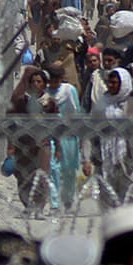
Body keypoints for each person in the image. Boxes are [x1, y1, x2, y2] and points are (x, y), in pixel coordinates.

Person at [83, 68, 133, 211]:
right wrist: (86, 159)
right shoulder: (101, 105)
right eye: (109, 82)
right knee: (107, 194)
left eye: (115, 83)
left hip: (128, 158)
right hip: (104, 158)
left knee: (131, 193)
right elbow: (89, 132)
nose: (111, 86)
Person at [6, 68, 51, 215]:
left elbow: (56, 125)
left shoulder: (49, 103)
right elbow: (11, 123)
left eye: (39, 82)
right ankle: (27, 205)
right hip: (23, 144)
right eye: (33, 81)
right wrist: (11, 145)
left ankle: (39, 208)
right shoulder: (21, 101)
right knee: (23, 176)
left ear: (44, 84)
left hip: (42, 146)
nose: (35, 84)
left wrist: (58, 148)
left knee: (41, 177)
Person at [44, 64, 82, 211]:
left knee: (69, 169)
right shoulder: (46, 93)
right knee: (53, 168)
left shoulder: (69, 90)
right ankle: (54, 202)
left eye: (55, 79)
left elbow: (75, 112)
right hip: (51, 135)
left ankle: (68, 198)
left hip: (68, 134)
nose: (53, 82)